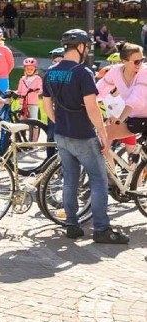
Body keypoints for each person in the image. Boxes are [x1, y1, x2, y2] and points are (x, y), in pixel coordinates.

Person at [42, 29, 129, 244]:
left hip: (62, 134)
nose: (87, 50)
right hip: (83, 135)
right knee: (98, 180)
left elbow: (46, 105)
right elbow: (91, 107)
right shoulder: (83, 73)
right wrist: (102, 132)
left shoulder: (50, 72)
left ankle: (72, 225)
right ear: (80, 47)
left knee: (70, 180)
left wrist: (59, 123)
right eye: (87, 47)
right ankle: (101, 229)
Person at [96, 42, 147, 165]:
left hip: (137, 116)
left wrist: (120, 118)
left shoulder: (144, 72)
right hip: (135, 118)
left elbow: (136, 98)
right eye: (136, 62)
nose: (140, 64)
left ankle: (138, 178)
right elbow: (97, 91)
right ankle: (112, 177)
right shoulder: (115, 72)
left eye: (142, 60)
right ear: (124, 61)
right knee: (104, 136)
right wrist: (83, 102)